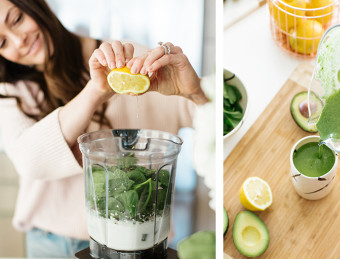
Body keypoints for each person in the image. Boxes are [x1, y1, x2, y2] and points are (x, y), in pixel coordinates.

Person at [0, 0, 209, 257]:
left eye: (17, 19)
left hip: (139, 243)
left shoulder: (131, 64)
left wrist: (194, 91)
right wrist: (95, 91)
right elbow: (30, 162)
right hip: (50, 243)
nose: (18, 41)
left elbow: (212, 122)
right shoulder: (10, 93)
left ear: (36, 6)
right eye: (2, 43)